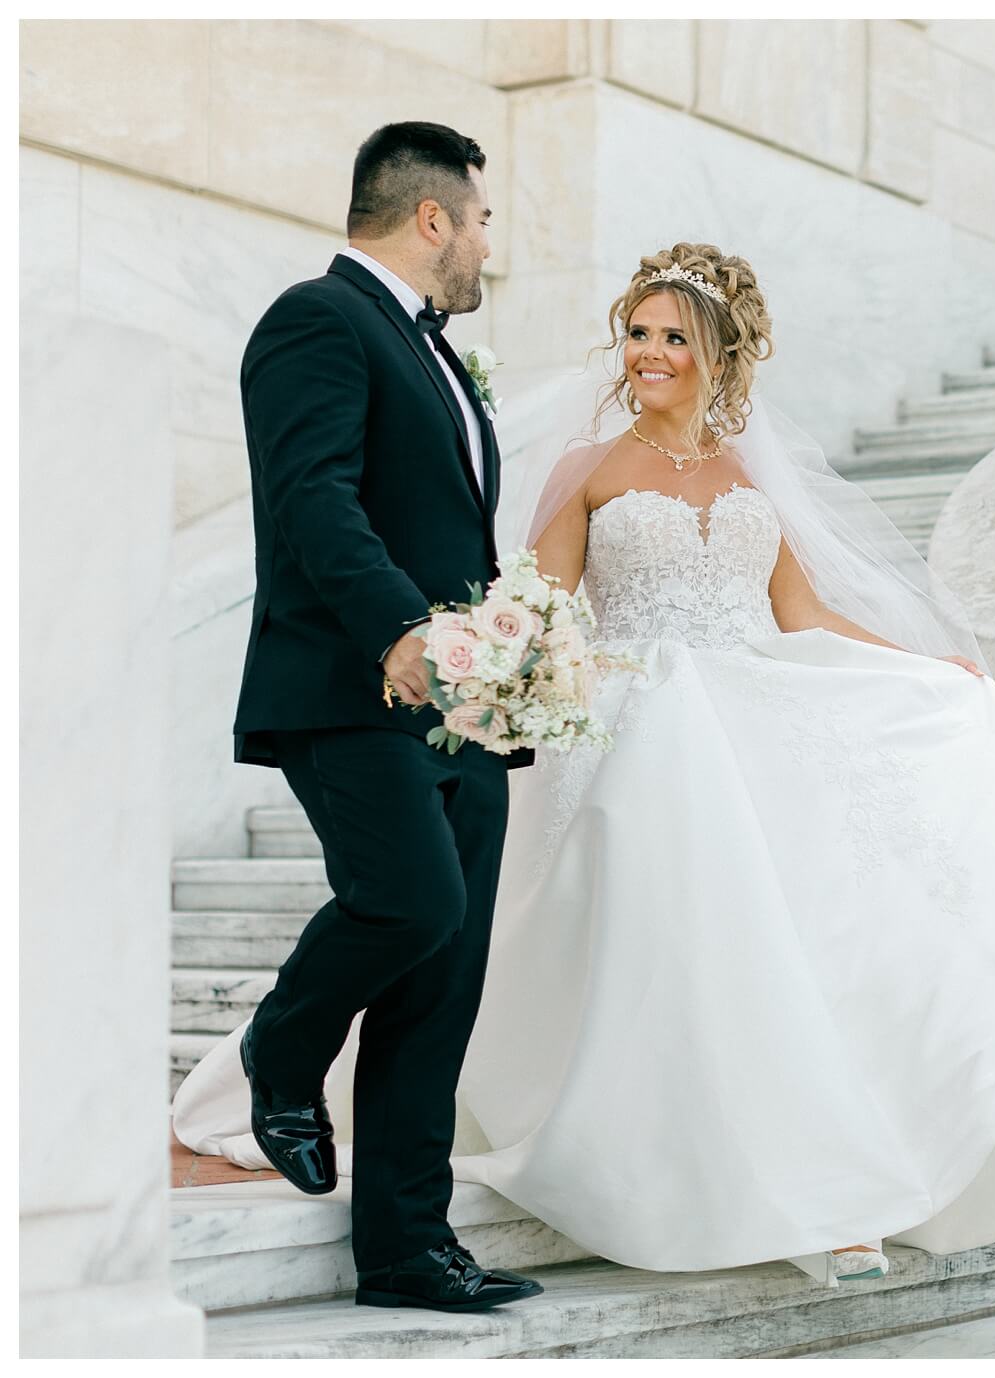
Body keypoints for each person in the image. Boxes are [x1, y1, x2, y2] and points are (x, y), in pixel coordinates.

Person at [178, 239, 995, 1289]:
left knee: (812, 935)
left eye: (673, 336)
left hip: (748, 705)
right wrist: (498, 674)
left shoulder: (752, 470)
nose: (649, 352)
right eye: (637, 331)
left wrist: (926, 667)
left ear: (719, 354)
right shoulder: (587, 468)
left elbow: (800, 612)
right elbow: (539, 606)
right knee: (682, 902)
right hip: (630, 719)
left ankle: (834, 1171)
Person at [222, 120, 543, 1311]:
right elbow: (312, 494)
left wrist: (496, 669)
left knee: (441, 972)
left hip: (455, 707)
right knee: (411, 900)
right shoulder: (316, 318)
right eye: (481, 218)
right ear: (431, 218)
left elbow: (447, 528)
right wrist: (401, 631)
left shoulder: (442, 354)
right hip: (352, 687)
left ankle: (408, 1246)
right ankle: (282, 1045)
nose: (486, 243)